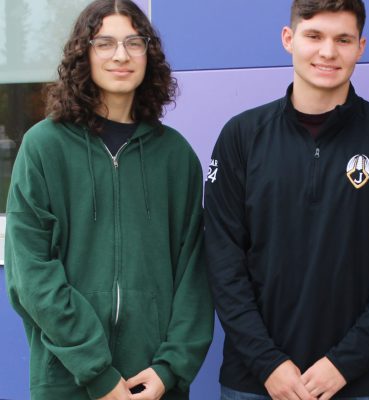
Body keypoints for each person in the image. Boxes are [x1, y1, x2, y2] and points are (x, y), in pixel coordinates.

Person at [203, 0, 369, 399]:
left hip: (361, 383)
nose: (328, 52)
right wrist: (267, 362)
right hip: (255, 382)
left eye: (343, 39)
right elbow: (223, 263)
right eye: (314, 36)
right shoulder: (241, 137)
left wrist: (343, 363)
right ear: (288, 39)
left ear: (360, 46)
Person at [3, 1, 214, 399]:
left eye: (135, 42)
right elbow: (30, 272)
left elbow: (195, 276)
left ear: (149, 54)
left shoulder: (176, 157)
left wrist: (170, 369)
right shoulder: (44, 147)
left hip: (152, 385)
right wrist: (96, 371)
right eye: (105, 43)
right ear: (84, 54)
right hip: (67, 380)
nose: (121, 55)